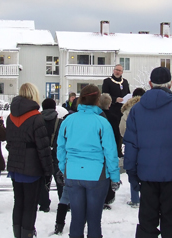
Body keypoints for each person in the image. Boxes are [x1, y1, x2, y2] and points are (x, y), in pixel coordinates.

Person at [124, 67, 172, 237]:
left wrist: (132, 174)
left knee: (146, 223)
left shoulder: (137, 109)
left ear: (150, 84)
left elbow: (131, 145)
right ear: (170, 84)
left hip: (146, 175)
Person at [57, 84, 121, 238]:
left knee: (77, 219)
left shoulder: (68, 120)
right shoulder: (102, 122)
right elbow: (110, 153)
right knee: (94, 220)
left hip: (72, 173)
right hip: (96, 175)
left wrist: (63, 168)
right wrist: (115, 177)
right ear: (97, 100)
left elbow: (61, 148)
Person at [6, 83, 53, 238]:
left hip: (15, 165)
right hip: (32, 167)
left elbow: (9, 143)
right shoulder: (36, 117)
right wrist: (48, 171)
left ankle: (17, 233)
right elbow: (43, 147)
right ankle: (27, 233)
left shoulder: (10, 117)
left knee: (18, 202)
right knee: (30, 205)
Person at [119, 87, 145, 209]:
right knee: (146, 170)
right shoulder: (149, 108)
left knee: (132, 170)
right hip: (147, 144)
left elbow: (122, 128)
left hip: (131, 143)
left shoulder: (128, 109)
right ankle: (146, 197)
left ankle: (135, 198)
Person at [38, 98, 61, 212]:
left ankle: (44, 204)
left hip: (42, 154)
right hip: (57, 154)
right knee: (60, 178)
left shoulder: (38, 121)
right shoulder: (60, 122)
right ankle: (63, 203)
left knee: (43, 179)